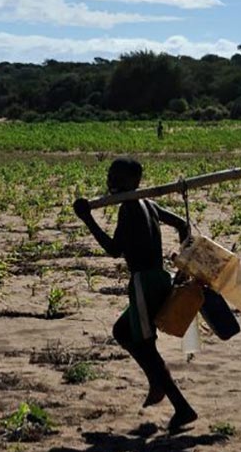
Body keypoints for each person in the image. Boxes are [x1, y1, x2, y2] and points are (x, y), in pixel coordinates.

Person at [73, 157, 198, 432]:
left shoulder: (129, 209)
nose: (111, 182)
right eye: (110, 176)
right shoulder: (148, 203)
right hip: (157, 277)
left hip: (144, 281)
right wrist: (183, 260)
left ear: (134, 183)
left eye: (117, 177)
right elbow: (182, 225)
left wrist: (88, 219)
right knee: (122, 332)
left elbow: (114, 250)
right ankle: (157, 383)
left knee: (145, 346)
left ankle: (181, 407)